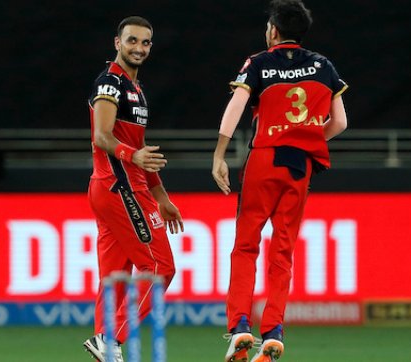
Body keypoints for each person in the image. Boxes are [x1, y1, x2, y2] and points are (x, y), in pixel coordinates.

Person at [212, 1, 349, 361]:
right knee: (283, 250)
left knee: (246, 245)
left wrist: (220, 154)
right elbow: (340, 123)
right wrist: (307, 138)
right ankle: (273, 330)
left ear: (273, 29)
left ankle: (240, 324)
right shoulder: (324, 66)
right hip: (299, 165)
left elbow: (237, 104)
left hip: (263, 158)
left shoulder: (259, 62)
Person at [82, 16, 184, 362]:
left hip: (118, 187)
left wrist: (162, 197)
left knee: (115, 278)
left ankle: (106, 347)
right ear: (117, 42)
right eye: (132, 41)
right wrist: (132, 155)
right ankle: (111, 338)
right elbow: (102, 136)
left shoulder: (136, 90)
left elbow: (139, 149)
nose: (139, 48)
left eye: (145, 43)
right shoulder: (109, 82)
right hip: (119, 187)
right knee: (160, 267)